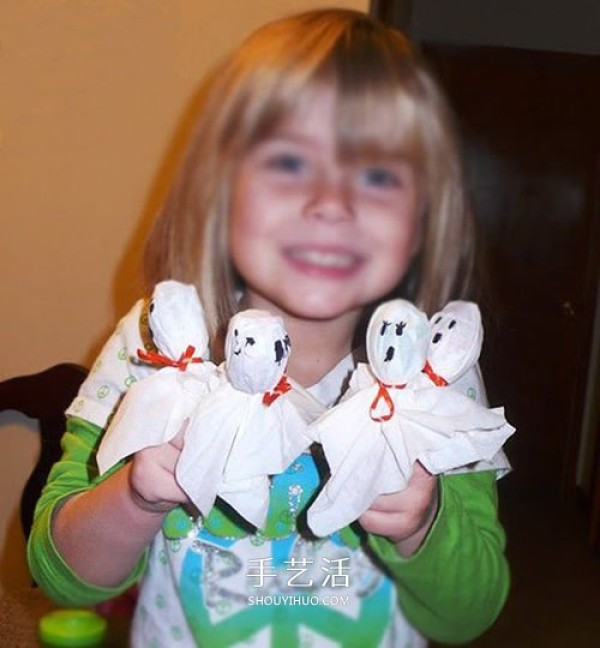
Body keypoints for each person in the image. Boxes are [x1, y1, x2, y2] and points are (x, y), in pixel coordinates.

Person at [28, 8, 509, 647]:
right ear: (217, 194)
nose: (331, 203)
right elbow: (63, 576)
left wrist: (423, 526)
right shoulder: (158, 348)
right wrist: (136, 497)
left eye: (377, 174)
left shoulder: (436, 376)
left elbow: (470, 613)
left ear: (422, 221)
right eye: (287, 160)